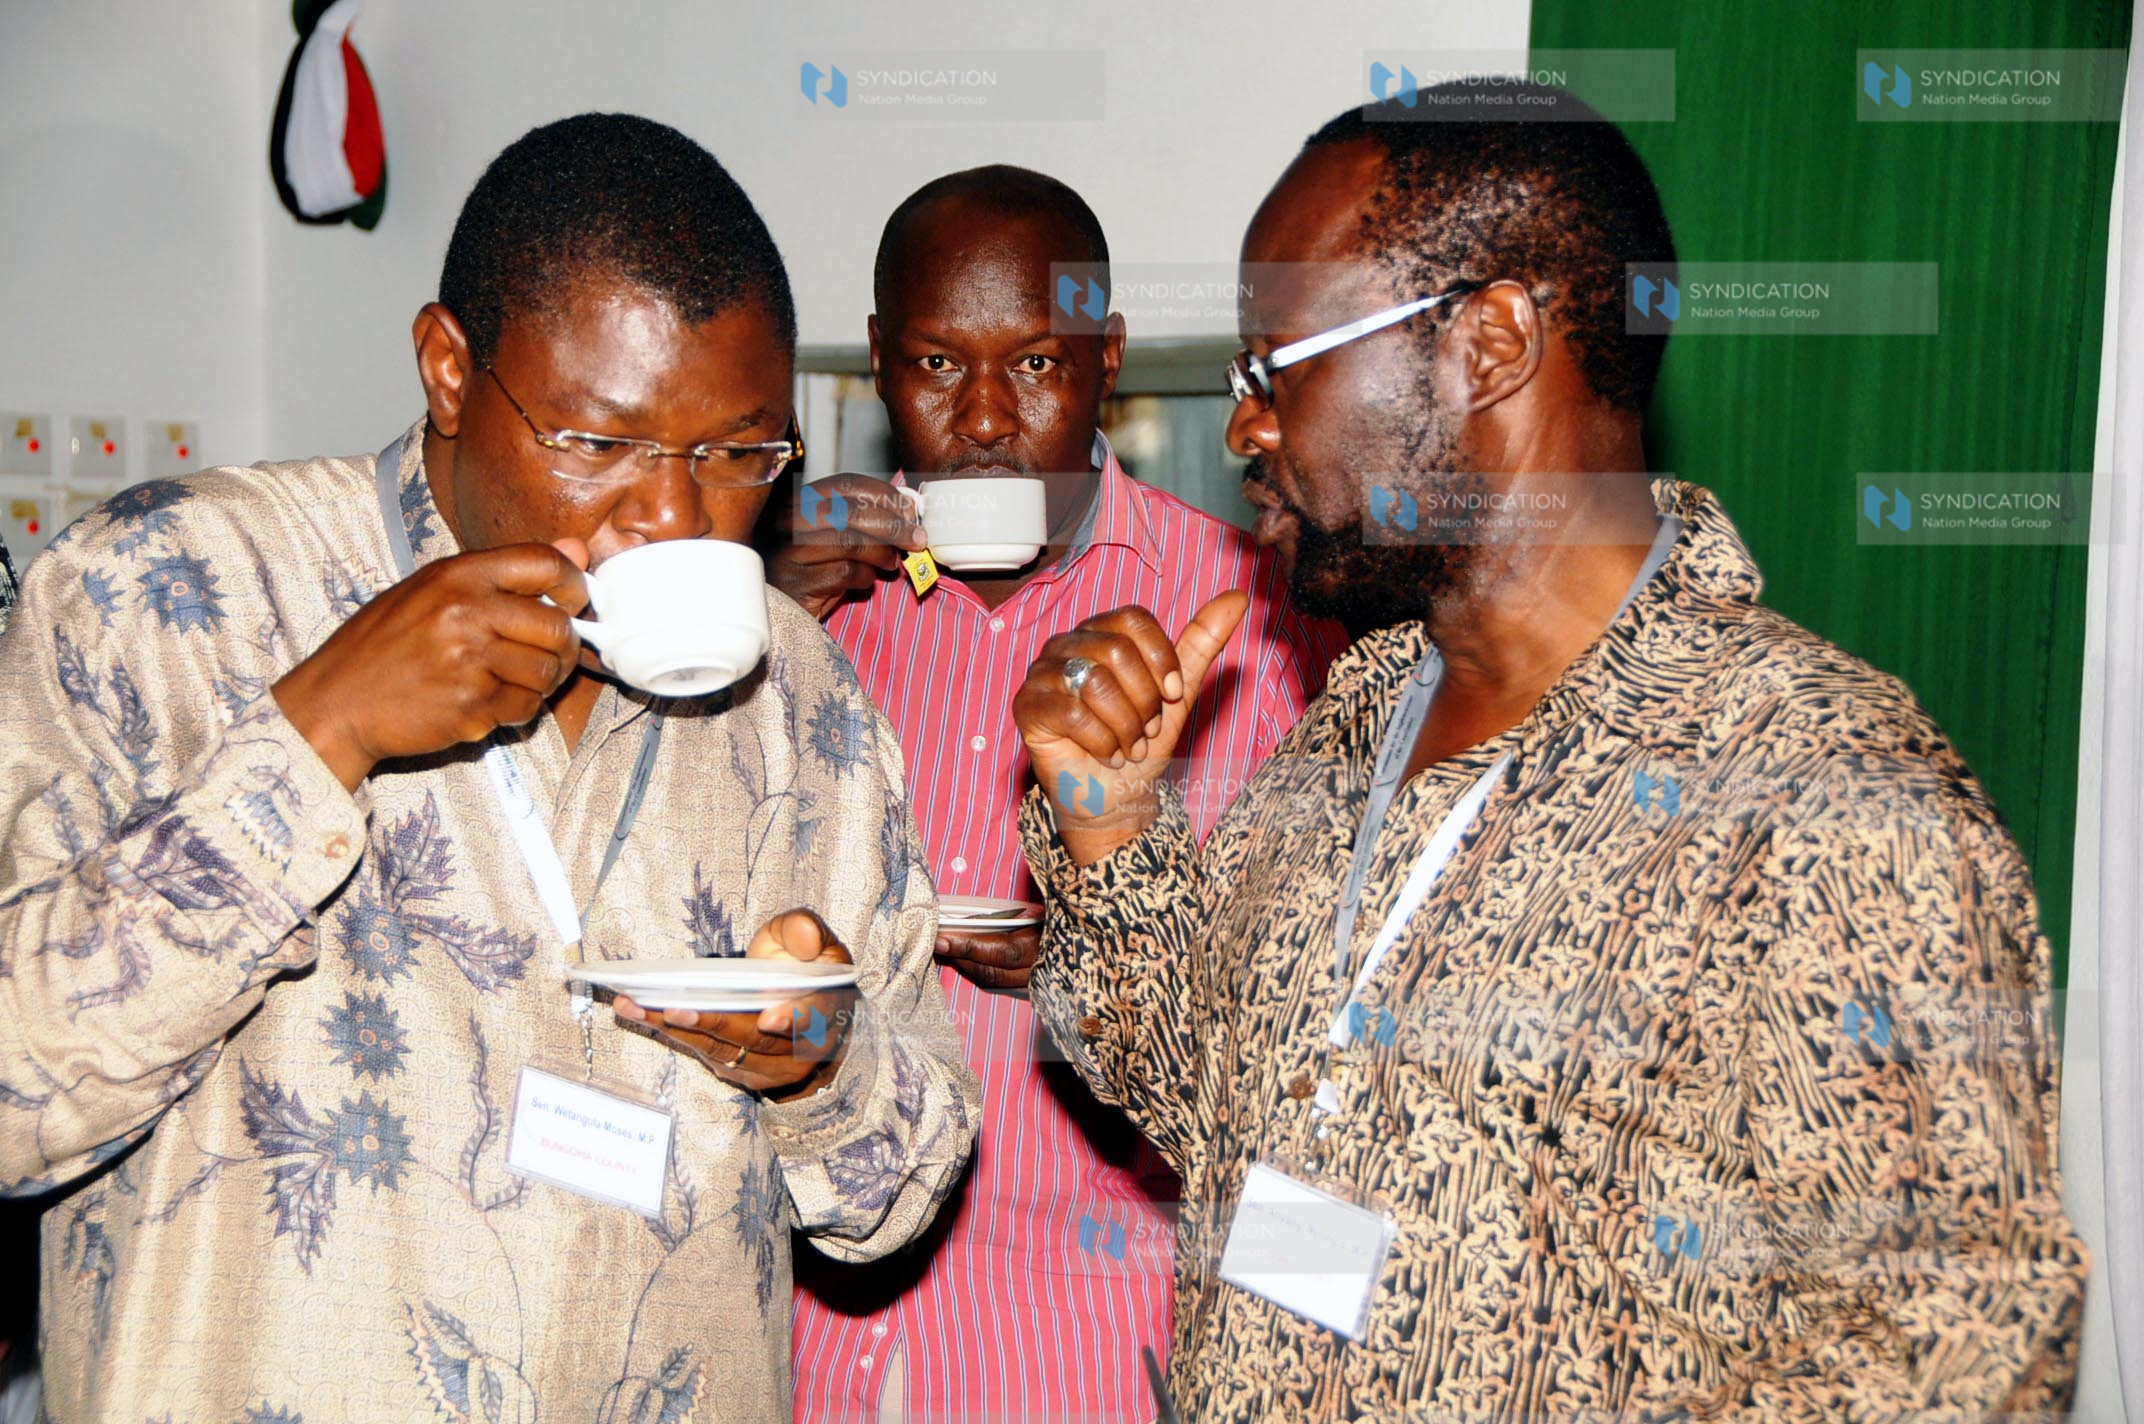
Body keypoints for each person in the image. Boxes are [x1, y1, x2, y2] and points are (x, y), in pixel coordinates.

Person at [1007, 83, 2088, 1421]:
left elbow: (1947, 1367)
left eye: (1276, 366)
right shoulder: (1354, 721)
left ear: (1493, 345)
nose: (1246, 429)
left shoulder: (1830, 802)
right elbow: (1207, 1100)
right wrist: (1110, 829)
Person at [0, 114, 978, 1422]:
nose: (673, 519)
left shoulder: (801, 696)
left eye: (739, 454)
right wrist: (317, 737)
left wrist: (818, 1068)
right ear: (449, 370)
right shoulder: (165, 593)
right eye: (597, 443)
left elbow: (895, 1202)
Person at [764, 167, 1347, 1421]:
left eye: (1033, 365)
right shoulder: (799, 607)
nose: (981, 416)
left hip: (1092, 1346)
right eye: (933, 363)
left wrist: (1114, 936)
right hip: (807, 1335)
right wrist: (757, 602)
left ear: (1106, 361)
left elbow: (1318, 1042)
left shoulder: (1235, 617)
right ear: (873, 361)